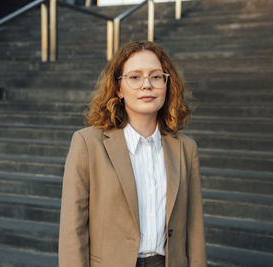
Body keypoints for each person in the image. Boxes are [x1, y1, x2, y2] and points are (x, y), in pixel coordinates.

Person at [58, 41, 206, 267]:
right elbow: (72, 227)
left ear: (167, 84)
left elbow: (194, 228)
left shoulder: (186, 148)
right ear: (118, 88)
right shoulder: (88, 143)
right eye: (135, 77)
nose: (147, 85)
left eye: (156, 77)